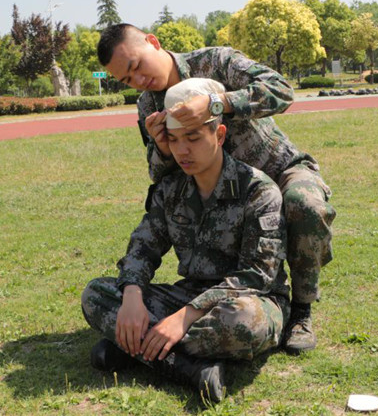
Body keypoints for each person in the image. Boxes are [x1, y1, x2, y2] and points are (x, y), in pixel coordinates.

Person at [97, 24, 335, 353]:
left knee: (304, 204)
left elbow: (280, 89)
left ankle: (301, 312)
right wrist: (163, 148)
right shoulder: (147, 105)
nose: (137, 81)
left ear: (153, 43)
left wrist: (217, 103)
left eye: (136, 66)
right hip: (215, 185)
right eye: (126, 80)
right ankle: (170, 339)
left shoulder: (215, 62)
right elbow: (161, 176)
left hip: (276, 169)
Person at [82, 78, 290, 403]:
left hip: (247, 301)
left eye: (192, 137)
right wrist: (133, 296)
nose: (181, 151)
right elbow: (142, 247)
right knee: (97, 294)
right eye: (174, 139)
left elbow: (256, 275)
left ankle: (134, 347)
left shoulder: (258, 191)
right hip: (186, 296)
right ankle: (187, 367)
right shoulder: (171, 189)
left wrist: (185, 317)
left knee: (246, 324)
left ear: (219, 135)